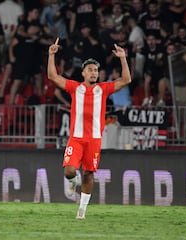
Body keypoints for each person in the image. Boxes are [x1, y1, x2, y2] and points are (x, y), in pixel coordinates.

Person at [47, 38, 131, 219]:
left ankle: (82, 211)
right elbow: (53, 77)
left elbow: (126, 79)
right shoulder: (74, 87)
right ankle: (72, 180)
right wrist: (51, 55)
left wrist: (123, 58)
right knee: (69, 170)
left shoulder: (104, 89)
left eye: (96, 70)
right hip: (76, 138)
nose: (94, 73)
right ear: (83, 73)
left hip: (94, 139)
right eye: (91, 70)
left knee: (88, 175)